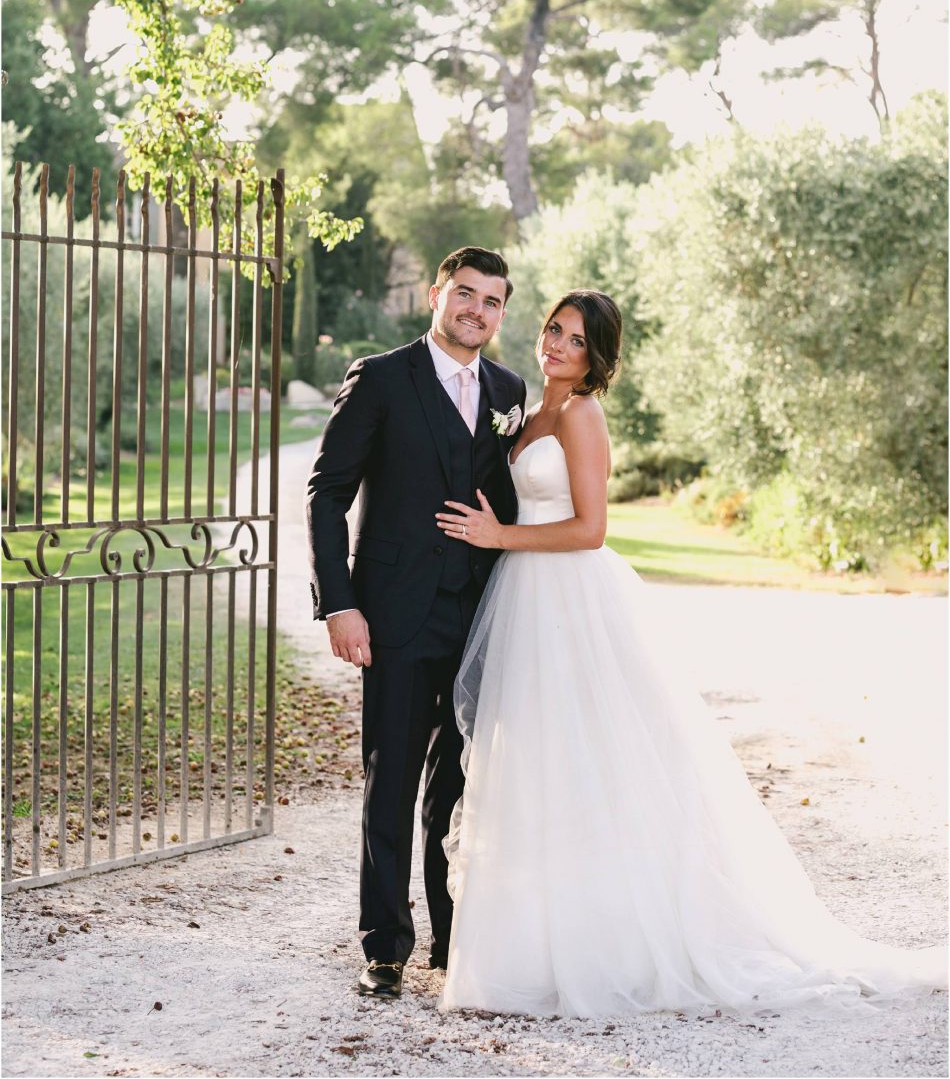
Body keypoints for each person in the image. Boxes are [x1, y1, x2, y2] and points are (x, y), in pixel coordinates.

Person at [434, 289, 947, 1017]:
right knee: (537, 765)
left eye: (576, 340)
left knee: (595, 765)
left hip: (570, 598)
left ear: (596, 358)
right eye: (554, 330)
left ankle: (616, 945)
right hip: (524, 597)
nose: (556, 345)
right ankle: (533, 943)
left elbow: (591, 529)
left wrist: (499, 538)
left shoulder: (582, 415)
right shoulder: (527, 409)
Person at [305, 246, 526, 999]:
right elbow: (327, 493)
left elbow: (509, 499)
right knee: (391, 782)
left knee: (459, 788)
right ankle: (385, 946)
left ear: (501, 313)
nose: (476, 310)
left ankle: (451, 937)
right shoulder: (381, 376)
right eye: (465, 294)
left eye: (492, 301)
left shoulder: (508, 389)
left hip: (479, 617)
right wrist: (340, 603)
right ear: (437, 293)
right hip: (393, 617)